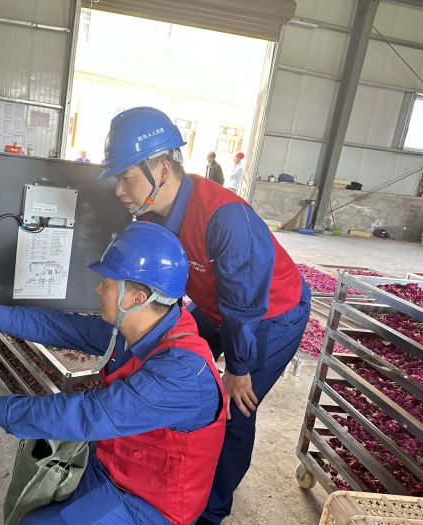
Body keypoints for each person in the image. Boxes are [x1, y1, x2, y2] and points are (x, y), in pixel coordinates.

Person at [0, 222, 225, 525]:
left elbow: (88, 415)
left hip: (147, 504)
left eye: (106, 283)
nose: (98, 289)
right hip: (111, 465)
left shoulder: (181, 374)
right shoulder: (140, 327)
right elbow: (63, 327)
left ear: (136, 298)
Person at [99, 107, 311, 524]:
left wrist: (239, 368)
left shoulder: (224, 217)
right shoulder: (153, 213)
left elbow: (244, 305)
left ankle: (211, 512)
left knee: (232, 407)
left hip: (270, 315)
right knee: (162, 359)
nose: (119, 190)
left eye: (126, 177)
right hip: (218, 307)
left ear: (162, 169)